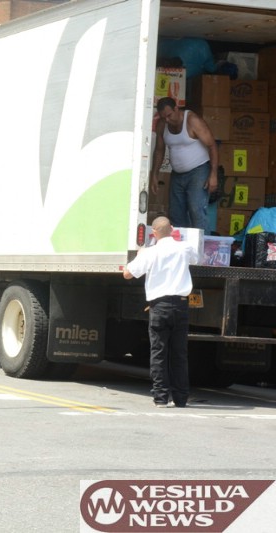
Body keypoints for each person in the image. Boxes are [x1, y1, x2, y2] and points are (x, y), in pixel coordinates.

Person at [123, 216, 199, 408]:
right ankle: (181, 398)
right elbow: (197, 259)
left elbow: (127, 274)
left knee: (159, 352)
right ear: (172, 229)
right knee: (179, 353)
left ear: (154, 233)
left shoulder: (150, 252)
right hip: (181, 305)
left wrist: (140, 254)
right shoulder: (185, 248)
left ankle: (160, 397)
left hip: (159, 306)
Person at [150, 97, 218, 232]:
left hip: (199, 170)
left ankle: (202, 244)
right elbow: (159, 150)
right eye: (163, 117)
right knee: (176, 214)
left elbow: (212, 145)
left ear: (176, 108)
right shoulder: (162, 124)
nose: (167, 120)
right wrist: (154, 174)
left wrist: (213, 174)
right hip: (177, 174)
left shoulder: (192, 120)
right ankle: (181, 244)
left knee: (196, 210)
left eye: (169, 115)